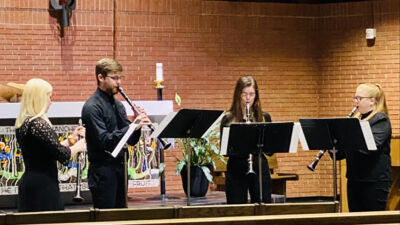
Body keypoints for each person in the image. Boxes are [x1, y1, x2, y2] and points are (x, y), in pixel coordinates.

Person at [81, 58, 151, 209]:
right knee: (106, 217)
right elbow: (104, 141)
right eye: (114, 78)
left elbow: (130, 140)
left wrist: (136, 125)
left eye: (120, 78)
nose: (119, 82)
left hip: (120, 168)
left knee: (121, 216)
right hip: (102, 171)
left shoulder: (118, 105)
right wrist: (132, 126)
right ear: (101, 78)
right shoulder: (92, 107)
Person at [15, 78, 86, 212]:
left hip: (31, 182)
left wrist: (71, 140)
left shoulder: (24, 121)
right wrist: (80, 146)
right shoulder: (39, 124)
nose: (50, 101)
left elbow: (46, 150)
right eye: (48, 97)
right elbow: (62, 154)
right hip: (43, 185)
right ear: (39, 99)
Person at [333, 83, 392, 212]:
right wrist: (333, 142)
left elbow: (371, 147)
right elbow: (341, 155)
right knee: (355, 218)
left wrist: (347, 139)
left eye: (359, 98)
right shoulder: (356, 121)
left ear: (372, 101)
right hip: (355, 179)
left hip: (374, 181)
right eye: (355, 98)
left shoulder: (381, 120)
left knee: (373, 220)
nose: (355, 102)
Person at [220, 76, 272, 204]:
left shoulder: (264, 117)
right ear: (238, 95)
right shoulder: (228, 118)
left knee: (263, 207)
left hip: (259, 166)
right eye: (244, 94)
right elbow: (225, 150)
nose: (248, 98)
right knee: (236, 209)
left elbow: (270, 150)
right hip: (237, 167)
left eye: (252, 94)